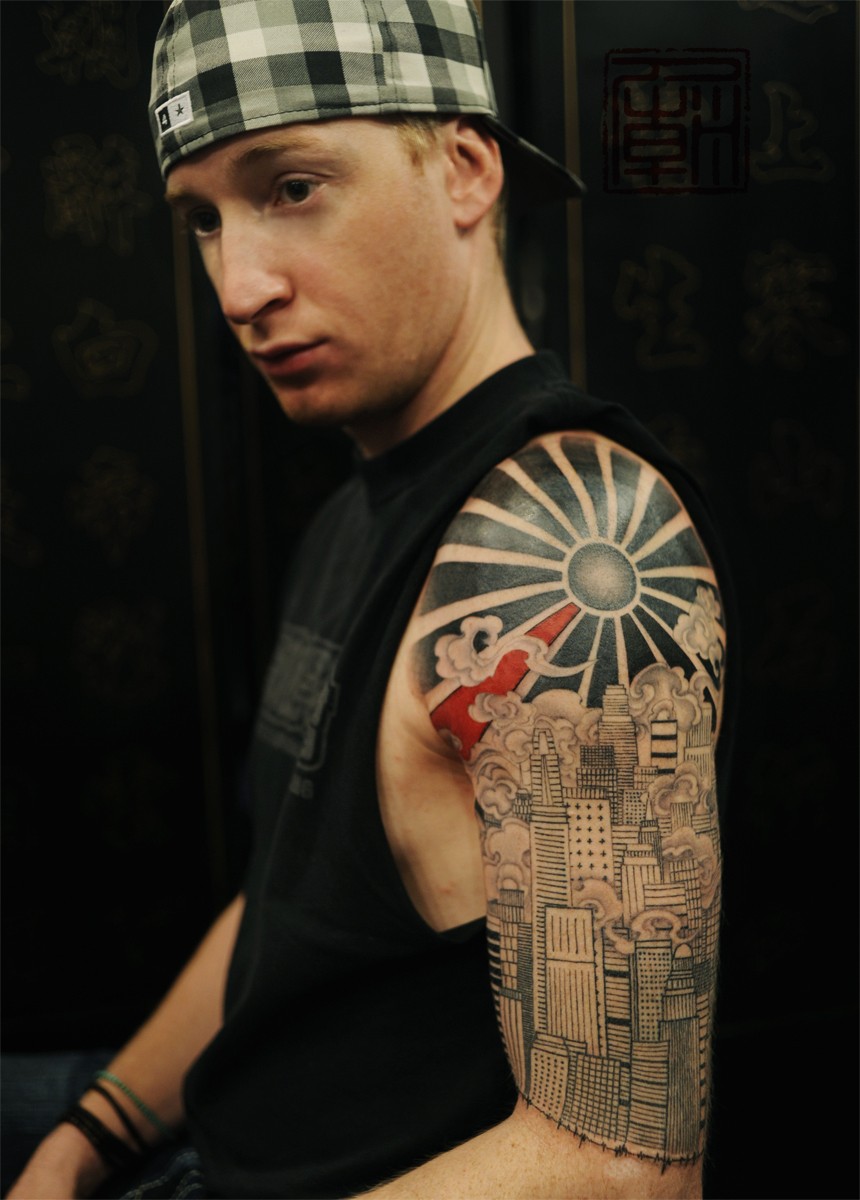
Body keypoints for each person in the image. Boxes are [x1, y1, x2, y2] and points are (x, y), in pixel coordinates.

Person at [8, 2, 733, 1197]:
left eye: (291, 187)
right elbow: (287, 907)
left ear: (464, 169)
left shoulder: (560, 543)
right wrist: (90, 1135)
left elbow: (621, 1169)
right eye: (203, 220)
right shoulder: (354, 511)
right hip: (217, 1132)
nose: (238, 286)